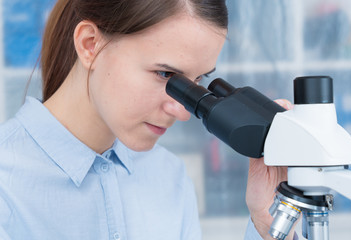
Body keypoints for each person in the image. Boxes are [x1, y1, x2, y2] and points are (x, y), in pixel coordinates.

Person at [0, 0, 297, 239]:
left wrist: (268, 226)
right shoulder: (8, 184)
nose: (182, 112)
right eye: (165, 74)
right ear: (90, 44)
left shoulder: (168, 177)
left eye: (198, 81)